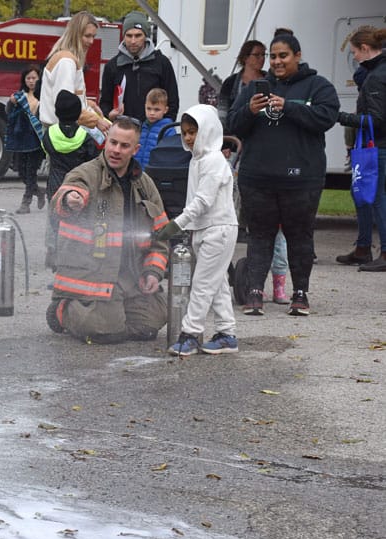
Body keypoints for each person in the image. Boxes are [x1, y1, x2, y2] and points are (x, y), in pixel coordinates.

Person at [227, 32, 339, 316]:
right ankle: (255, 293)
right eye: (273, 56)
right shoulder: (254, 89)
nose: (276, 62)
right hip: (257, 178)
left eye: (283, 56)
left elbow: (326, 118)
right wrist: (250, 111)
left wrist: (288, 107)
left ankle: (300, 294)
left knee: (299, 236)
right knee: (259, 236)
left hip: (302, 179)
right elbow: (233, 124)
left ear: (297, 56)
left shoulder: (318, 86)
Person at [45, 116, 169, 343]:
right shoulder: (85, 174)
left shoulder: (145, 184)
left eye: (124, 146)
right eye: (112, 143)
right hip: (93, 276)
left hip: (130, 278)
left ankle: (115, 317)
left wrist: (152, 271)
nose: (116, 150)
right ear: (106, 141)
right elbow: (61, 200)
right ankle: (62, 311)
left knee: (151, 324)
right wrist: (69, 200)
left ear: (135, 149)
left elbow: (161, 235)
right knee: (105, 332)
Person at [155, 105, 238, 355]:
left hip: (218, 230)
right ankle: (227, 334)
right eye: (185, 133)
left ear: (208, 130)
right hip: (205, 230)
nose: (189, 138)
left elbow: (203, 201)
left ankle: (189, 335)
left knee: (201, 285)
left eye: (194, 132)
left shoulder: (213, 161)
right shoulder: (198, 160)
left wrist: (175, 225)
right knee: (217, 284)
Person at [37, 10, 106, 269]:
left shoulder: (64, 57)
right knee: (70, 192)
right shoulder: (67, 61)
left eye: (93, 36)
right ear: (77, 33)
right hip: (65, 135)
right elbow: (66, 104)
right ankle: (60, 249)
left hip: (56, 135)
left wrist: (88, 103)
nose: (90, 41)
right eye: (87, 35)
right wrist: (95, 121)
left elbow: (71, 100)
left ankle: (55, 248)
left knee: (60, 190)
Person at [334, 26, 386, 271]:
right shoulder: (374, 73)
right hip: (372, 145)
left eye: (354, 52)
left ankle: (384, 253)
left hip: (379, 146)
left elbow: (377, 120)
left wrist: (342, 117)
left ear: (365, 49)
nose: (353, 57)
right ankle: (363, 247)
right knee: (362, 194)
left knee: (376, 197)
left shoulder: (376, 77)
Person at [42, 90, 100, 272]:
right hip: (78, 186)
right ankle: (73, 254)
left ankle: (53, 252)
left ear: (57, 112)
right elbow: (94, 160)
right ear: (78, 114)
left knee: (54, 220)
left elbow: (46, 150)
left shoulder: (49, 134)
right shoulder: (85, 137)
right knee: (76, 219)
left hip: (55, 185)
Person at [99, 11, 179, 124]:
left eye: (138, 35)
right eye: (129, 35)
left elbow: (172, 101)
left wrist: (163, 127)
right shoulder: (112, 66)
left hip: (154, 132)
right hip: (123, 131)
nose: (133, 41)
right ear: (123, 36)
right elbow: (104, 103)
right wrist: (109, 115)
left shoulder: (162, 63)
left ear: (145, 36)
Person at [5, 64, 45, 214]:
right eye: (28, 78)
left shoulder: (45, 96)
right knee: (21, 171)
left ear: (39, 79)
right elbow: (9, 113)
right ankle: (39, 192)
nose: (31, 81)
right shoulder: (19, 96)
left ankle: (26, 203)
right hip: (21, 139)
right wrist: (11, 102)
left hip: (36, 139)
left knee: (30, 171)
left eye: (34, 78)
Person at [218, 41, 267, 134]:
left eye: (264, 55)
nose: (262, 58)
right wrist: (225, 142)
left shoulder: (270, 80)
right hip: (235, 137)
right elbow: (222, 114)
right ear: (245, 58)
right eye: (257, 55)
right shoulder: (230, 82)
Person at [134, 88, 176, 167]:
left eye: (157, 109)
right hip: (137, 171)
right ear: (145, 107)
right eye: (149, 109)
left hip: (156, 172)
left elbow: (168, 156)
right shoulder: (141, 127)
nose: (152, 113)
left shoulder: (168, 130)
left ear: (165, 110)